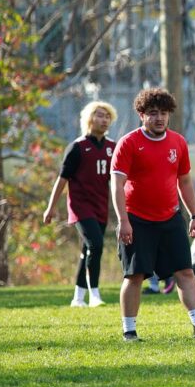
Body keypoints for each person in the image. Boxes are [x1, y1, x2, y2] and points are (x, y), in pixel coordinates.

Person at [110, 87, 195, 342]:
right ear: (142, 115)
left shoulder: (178, 142)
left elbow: (184, 181)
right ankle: (129, 331)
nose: (159, 118)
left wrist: (194, 215)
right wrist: (123, 221)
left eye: (163, 113)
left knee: (185, 272)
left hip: (170, 218)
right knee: (135, 275)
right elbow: (117, 185)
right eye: (153, 113)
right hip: (137, 220)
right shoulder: (128, 143)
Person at [43, 101, 118, 308]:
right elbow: (62, 180)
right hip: (80, 207)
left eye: (107, 116)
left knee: (87, 250)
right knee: (96, 245)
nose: (104, 120)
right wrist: (50, 207)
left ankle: (77, 298)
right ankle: (94, 295)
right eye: (99, 115)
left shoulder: (112, 147)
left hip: (100, 206)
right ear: (89, 119)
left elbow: (117, 180)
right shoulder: (77, 147)